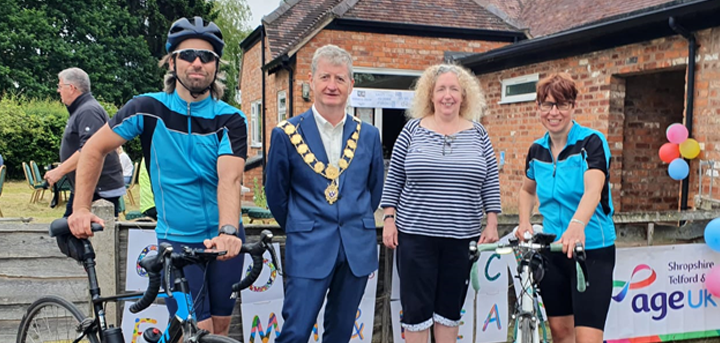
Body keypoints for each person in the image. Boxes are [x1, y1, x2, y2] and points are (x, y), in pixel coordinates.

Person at [67, 17, 247, 336]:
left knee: (219, 329)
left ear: (216, 66)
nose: (197, 62)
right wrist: (80, 207)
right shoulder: (147, 108)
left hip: (223, 241)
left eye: (207, 57)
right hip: (176, 242)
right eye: (188, 54)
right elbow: (93, 149)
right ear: (172, 61)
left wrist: (229, 230)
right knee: (197, 331)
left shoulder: (231, 119)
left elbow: (229, 179)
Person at [265, 44, 384, 343]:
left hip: (356, 248)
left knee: (340, 334)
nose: (332, 86)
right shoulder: (286, 133)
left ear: (351, 85)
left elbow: (374, 190)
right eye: (326, 77)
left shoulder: (368, 134)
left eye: (340, 79)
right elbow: (276, 195)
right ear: (312, 80)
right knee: (295, 332)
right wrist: (304, 224)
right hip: (308, 247)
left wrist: (352, 220)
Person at [380, 64, 501, 343]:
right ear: (430, 96)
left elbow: (490, 180)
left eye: (454, 89)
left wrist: (492, 220)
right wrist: (389, 217)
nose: (448, 96)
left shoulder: (479, 134)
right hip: (415, 237)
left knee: (449, 310)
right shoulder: (411, 130)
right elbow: (395, 175)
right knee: (416, 312)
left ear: (464, 96)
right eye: (441, 89)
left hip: (461, 239)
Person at [516, 73, 616, 343]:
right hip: (554, 250)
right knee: (561, 335)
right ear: (538, 108)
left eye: (561, 104)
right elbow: (527, 190)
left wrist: (577, 225)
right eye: (547, 105)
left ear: (573, 106)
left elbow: (593, 190)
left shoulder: (591, 142)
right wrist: (524, 221)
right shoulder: (537, 150)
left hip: (590, 249)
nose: (554, 112)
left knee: (587, 338)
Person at [44, 68, 125, 218]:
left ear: (72, 88)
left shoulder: (88, 111)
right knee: (68, 232)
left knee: (73, 233)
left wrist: (59, 171)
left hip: (98, 190)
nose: (58, 90)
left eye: (60, 86)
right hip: (88, 188)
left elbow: (89, 150)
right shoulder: (81, 109)